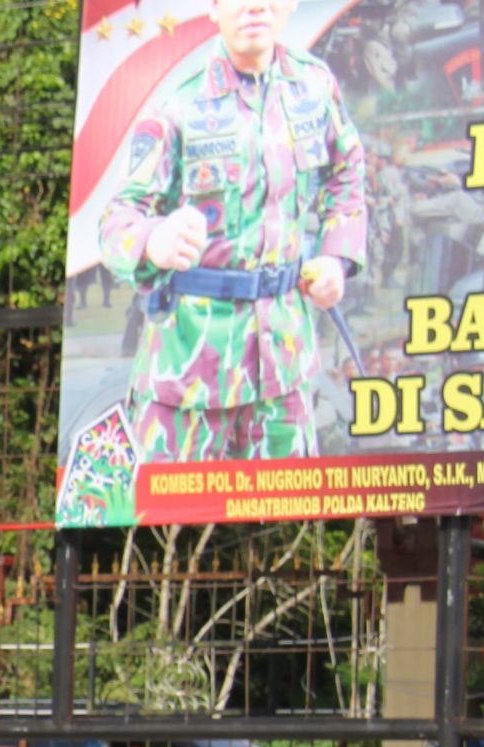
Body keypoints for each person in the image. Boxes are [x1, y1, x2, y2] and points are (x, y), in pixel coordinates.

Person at [97, 0, 369, 462]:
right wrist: (153, 240)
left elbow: (348, 176)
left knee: (291, 523)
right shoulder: (179, 103)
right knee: (172, 528)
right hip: (190, 377)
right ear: (215, 8)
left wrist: (336, 258)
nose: (256, 7)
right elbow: (117, 221)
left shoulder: (314, 86)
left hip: (285, 371)